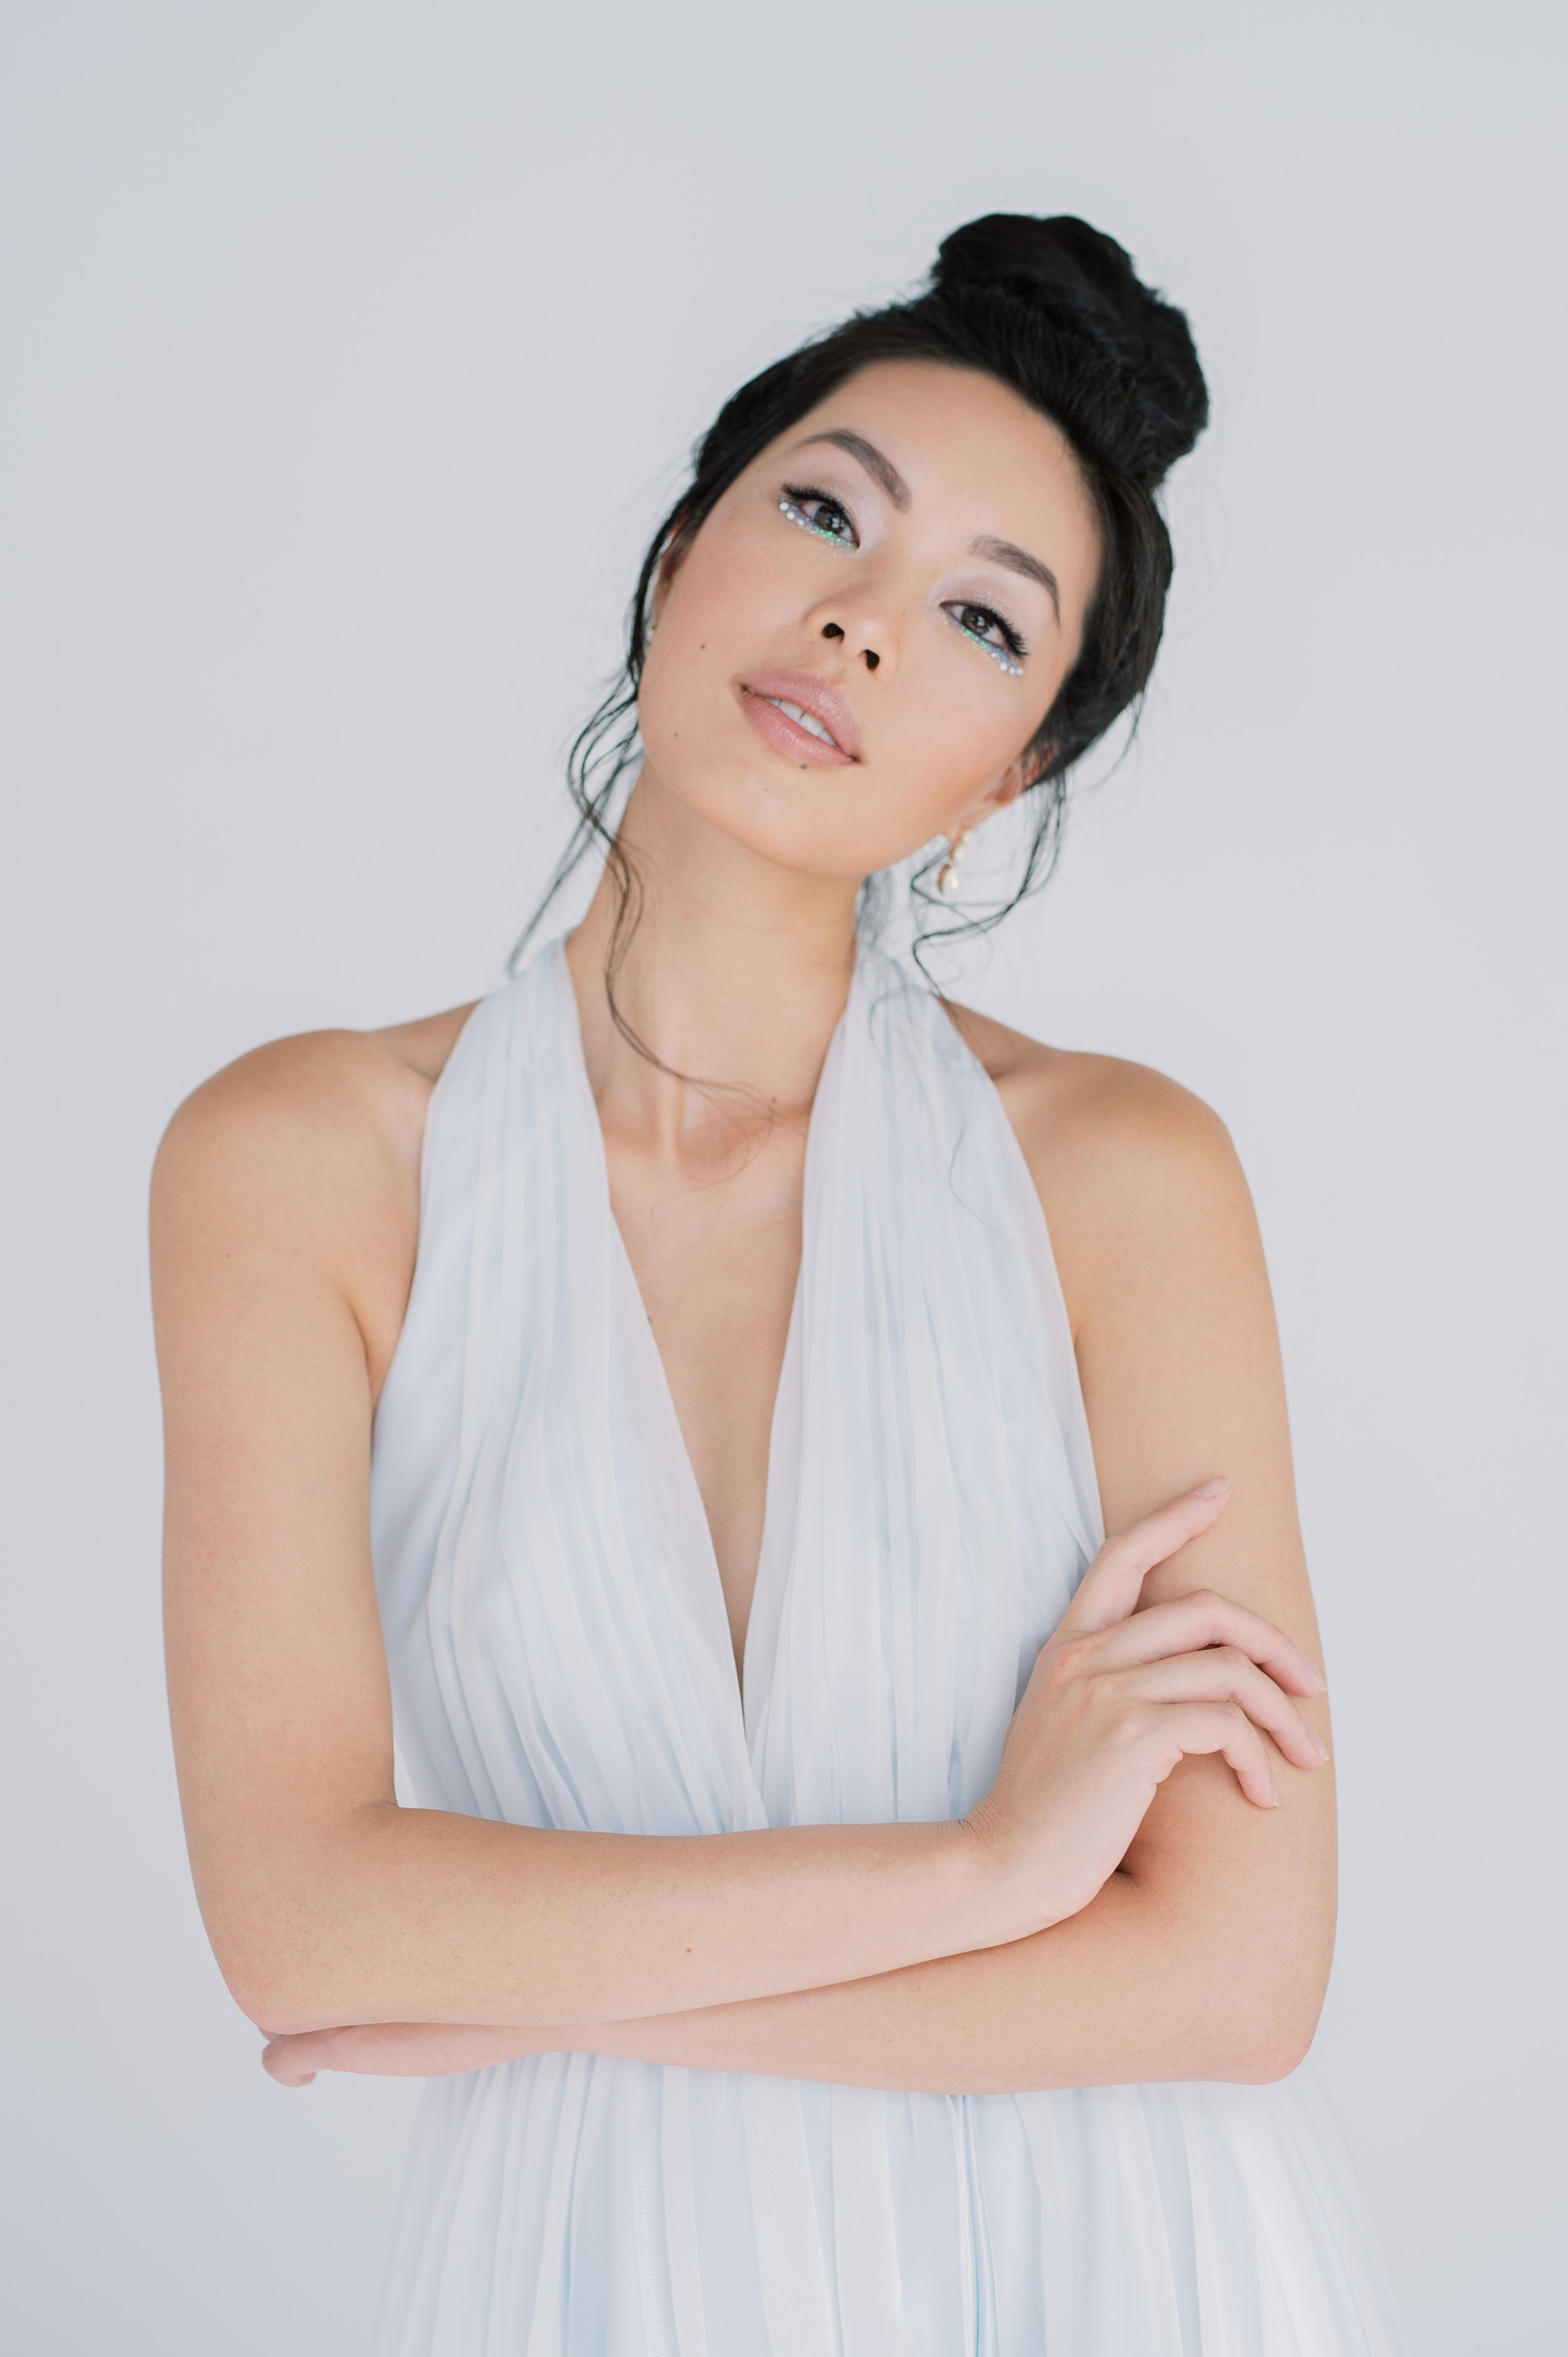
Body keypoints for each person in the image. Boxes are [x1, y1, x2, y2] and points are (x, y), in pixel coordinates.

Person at [153, 215, 1405, 2354]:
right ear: (676, 554)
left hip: (1105, 2271)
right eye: (824, 509)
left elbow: (1231, 1982)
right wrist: (997, 1877)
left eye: (981, 625)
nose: (858, 620)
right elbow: (296, 1923)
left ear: (1002, 780)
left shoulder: (1119, 1179)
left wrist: (525, 1990)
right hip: (591, 2281)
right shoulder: (298, 1163)